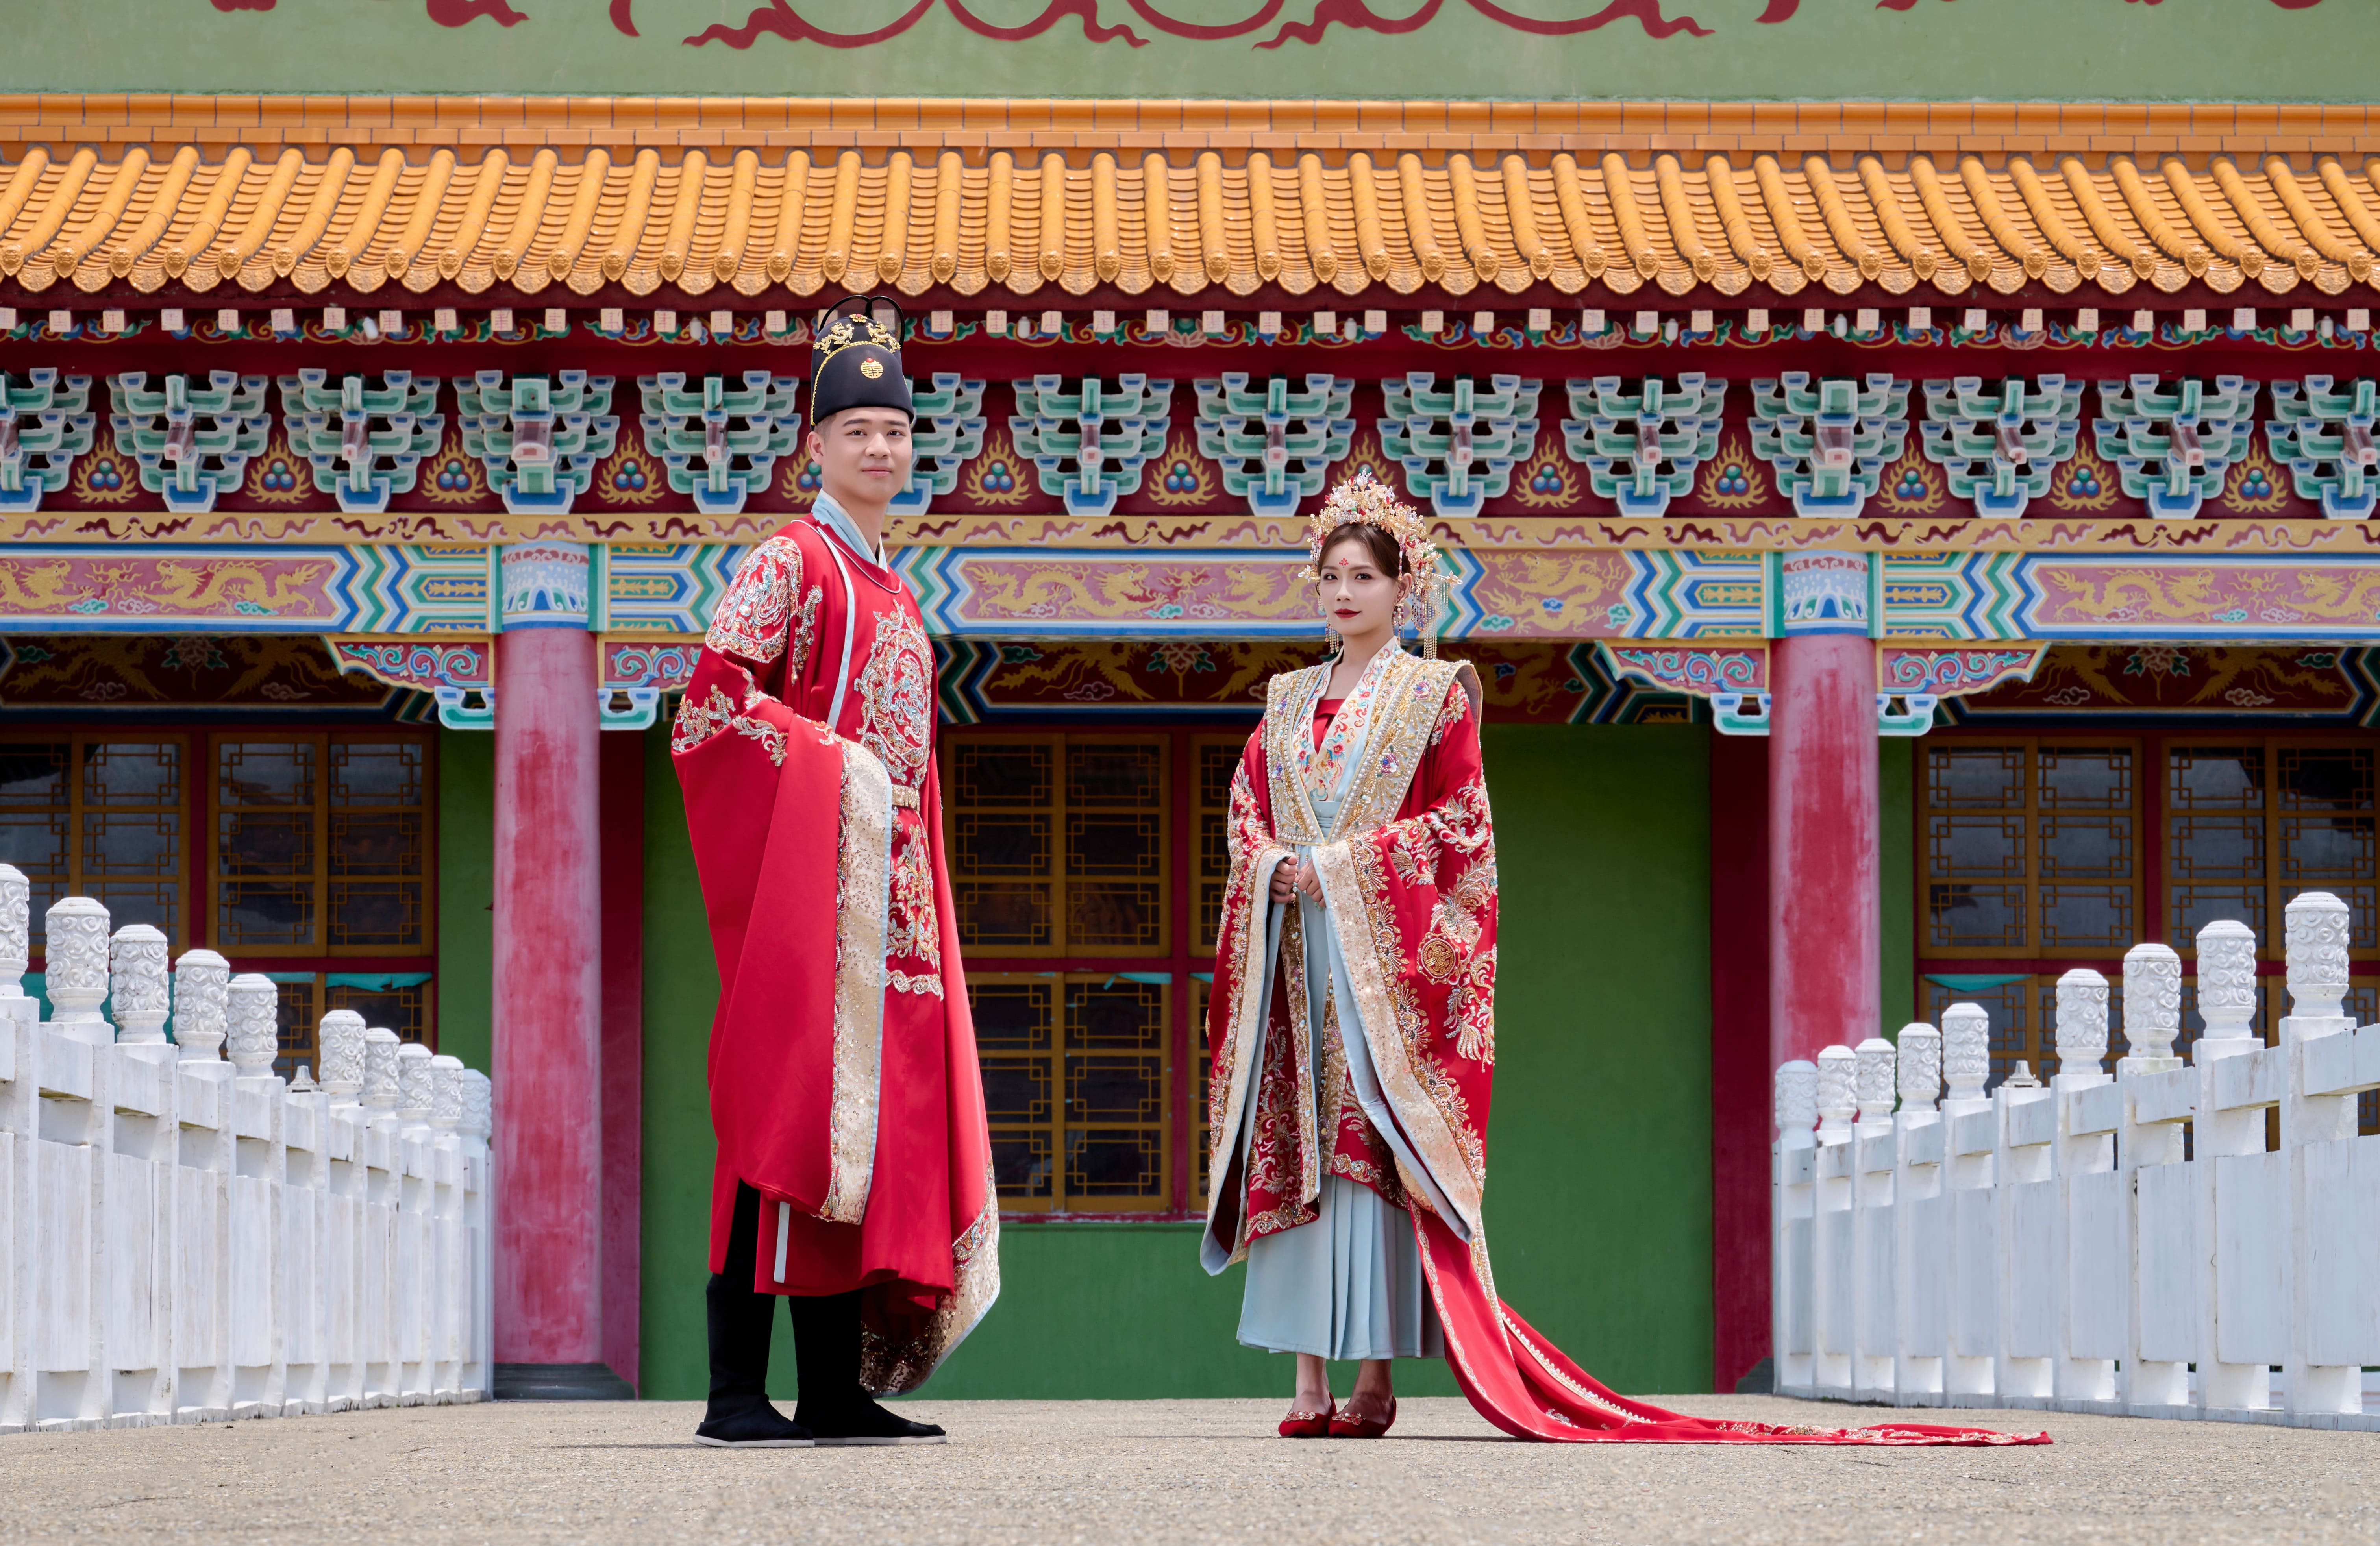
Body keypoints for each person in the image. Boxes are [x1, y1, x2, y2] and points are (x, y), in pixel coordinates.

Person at [1199, 472, 2044, 1448]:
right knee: (1296, 1151)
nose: (1344, 593)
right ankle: (1306, 1375)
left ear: (1403, 589)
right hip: (1292, 955)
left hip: (1380, 968)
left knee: (1372, 1161)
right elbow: (1246, 811)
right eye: (1331, 576)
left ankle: (1372, 1378)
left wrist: (1342, 868)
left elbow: (1461, 827)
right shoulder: (1285, 702)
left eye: (1364, 577)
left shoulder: (1434, 697)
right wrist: (1271, 867)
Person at [675, 295, 998, 1448]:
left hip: (891, 915)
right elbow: (712, 709)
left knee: (856, 1142)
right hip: (810, 902)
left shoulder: (895, 589)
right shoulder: (790, 562)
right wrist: (837, 770)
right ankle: (731, 1392)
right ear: (813, 445)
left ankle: (831, 1389)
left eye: (894, 431)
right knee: (780, 1124)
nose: (878, 448)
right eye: (855, 429)